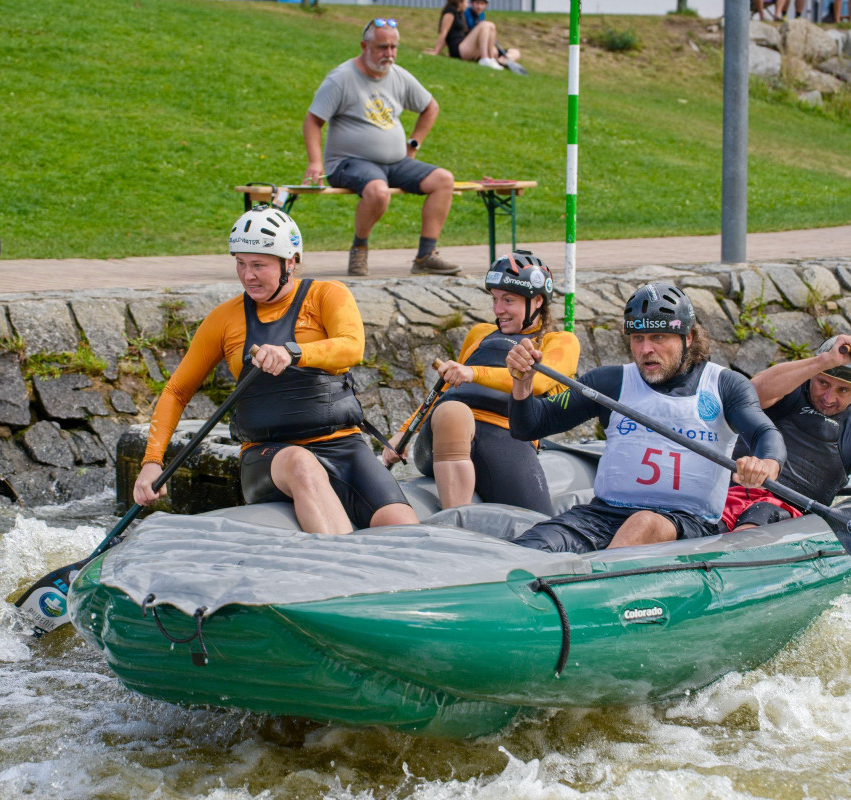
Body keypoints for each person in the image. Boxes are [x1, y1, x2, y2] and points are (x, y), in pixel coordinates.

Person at [133, 204, 418, 534]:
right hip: (269, 456)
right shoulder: (224, 319)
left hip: (343, 446)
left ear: (291, 262)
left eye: (258, 265)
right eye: (240, 264)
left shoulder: (328, 295)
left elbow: (351, 347)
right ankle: (342, 563)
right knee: (300, 462)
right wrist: (152, 462)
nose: (247, 275)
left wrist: (293, 353)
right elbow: (177, 391)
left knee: (401, 526)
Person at [504, 282, 787, 553]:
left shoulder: (725, 385)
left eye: (658, 337)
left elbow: (765, 434)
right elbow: (529, 425)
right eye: (637, 338)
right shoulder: (609, 382)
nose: (645, 350)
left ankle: (599, 585)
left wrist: (766, 464)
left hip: (688, 523)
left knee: (644, 523)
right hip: (603, 515)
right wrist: (523, 383)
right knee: (532, 547)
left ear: (688, 338)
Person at [380, 251, 579, 513]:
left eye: (508, 300)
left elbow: (539, 382)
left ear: (538, 300)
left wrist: (474, 373)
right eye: (495, 299)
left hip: (506, 435)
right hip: (445, 432)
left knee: (540, 523)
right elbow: (446, 389)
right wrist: (402, 434)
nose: (498, 310)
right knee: (453, 411)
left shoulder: (560, 342)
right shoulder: (480, 333)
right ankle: (457, 525)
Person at [304, 18, 462, 278]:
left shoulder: (398, 76)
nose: (389, 54)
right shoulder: (341, 78)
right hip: (349, 162)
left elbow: (430, 107)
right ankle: (359, 249)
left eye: (393, 47)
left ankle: (426, 256)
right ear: (364, 46)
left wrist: (413, 143)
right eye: (382, 47)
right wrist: (315, 162)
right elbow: (313, 120)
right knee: (378, 191)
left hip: (395, 162)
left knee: (443, 180)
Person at [720, 334, 851, 531]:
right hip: (728, 494)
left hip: (785, 517)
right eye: (823, 383)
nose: (828, 397)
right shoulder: (785, 391)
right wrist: (823, 361)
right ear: (813, 375)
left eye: (843, 390)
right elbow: (752, 390)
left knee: (762, 513)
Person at [424, 0, 523, 74]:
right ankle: (485, 59)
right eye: (466, 1)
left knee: (490, 25)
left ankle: (491, 60)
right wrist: (436, 51)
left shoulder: (459, 14)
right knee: (485, 24)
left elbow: (449, 35)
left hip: (463, 47)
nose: (467, 4)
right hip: (459, 49)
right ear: (460, 2)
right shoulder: (450, 12)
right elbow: (444, 32)